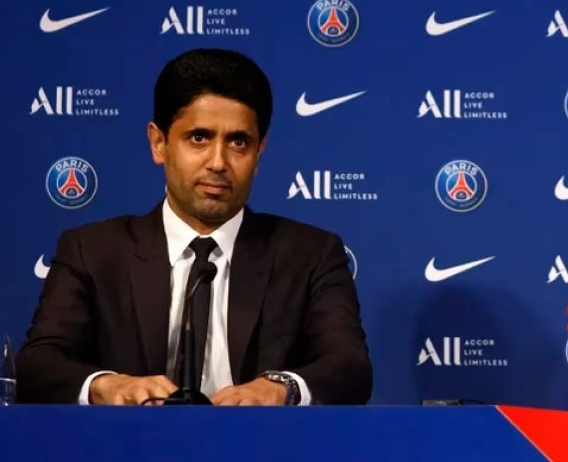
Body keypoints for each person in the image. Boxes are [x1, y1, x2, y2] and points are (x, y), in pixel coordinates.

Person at [16, 48, 373, 405]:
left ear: (259, 151)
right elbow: (37, 365)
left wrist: (281, 388)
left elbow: (349, 367)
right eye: (199, 138)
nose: (218, 162)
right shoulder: (91, 251)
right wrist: (107, 386)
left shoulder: (311, 254)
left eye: (238, 142)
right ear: (159, 144)